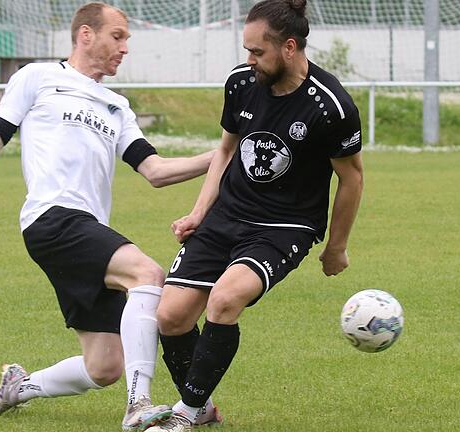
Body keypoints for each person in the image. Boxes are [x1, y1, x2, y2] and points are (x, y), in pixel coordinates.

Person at [0, 3, 214, 430]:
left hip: (87, 230)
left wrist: (222, 155)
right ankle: (139, 404)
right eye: (117, 36)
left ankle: (17, 387)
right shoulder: (37, 77)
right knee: (147, 275)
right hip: (52, 219)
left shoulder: (117, 104)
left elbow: (155, 171)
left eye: (126, 39)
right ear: (85, 34)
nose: (125, 48)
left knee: (103, 366)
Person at [145, 0, 364, 431]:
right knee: (170, 316)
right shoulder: (241, 83)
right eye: (245, 50)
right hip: (227, 213)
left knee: (225, 299)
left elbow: (352, 178)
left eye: (256, 52)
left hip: (285, 226)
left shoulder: (330, 105)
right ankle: (202, 407)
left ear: (288, 47)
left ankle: (184, 415)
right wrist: (197, 212)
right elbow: (226, 149)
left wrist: (336, 247)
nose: (249, 60)